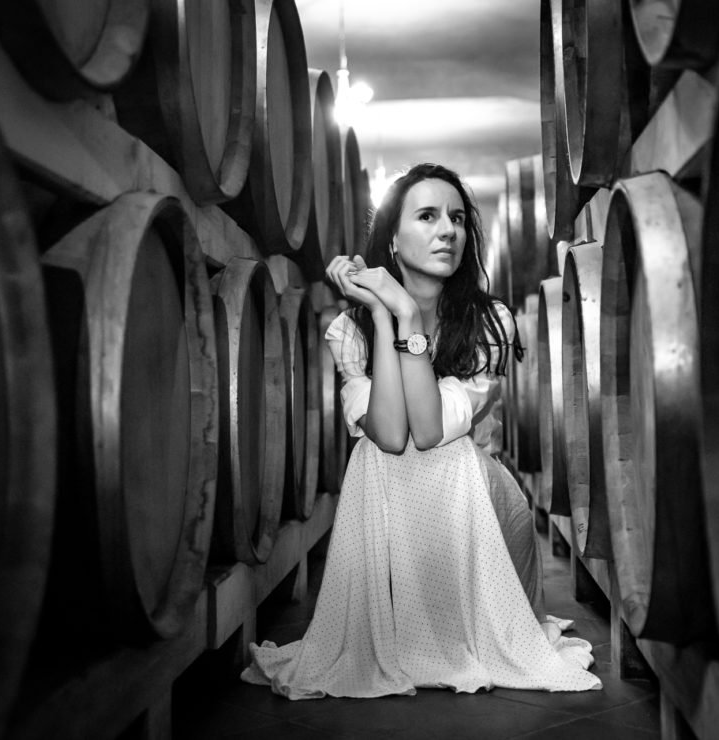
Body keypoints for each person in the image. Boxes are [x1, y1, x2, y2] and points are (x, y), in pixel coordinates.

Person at [241, 163, 601, 699]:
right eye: (428, 216)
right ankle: (402, 631)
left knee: (445, 454)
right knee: (377, 453)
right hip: (394, 502)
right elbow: (389, 435)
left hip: (480, 501)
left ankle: (455, 633)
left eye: (456, 218)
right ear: (393, 237)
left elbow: (430, 431)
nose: (447, 230)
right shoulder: (350, 331)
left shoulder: (491, 323)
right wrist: (382, 316)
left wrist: (407, 313)